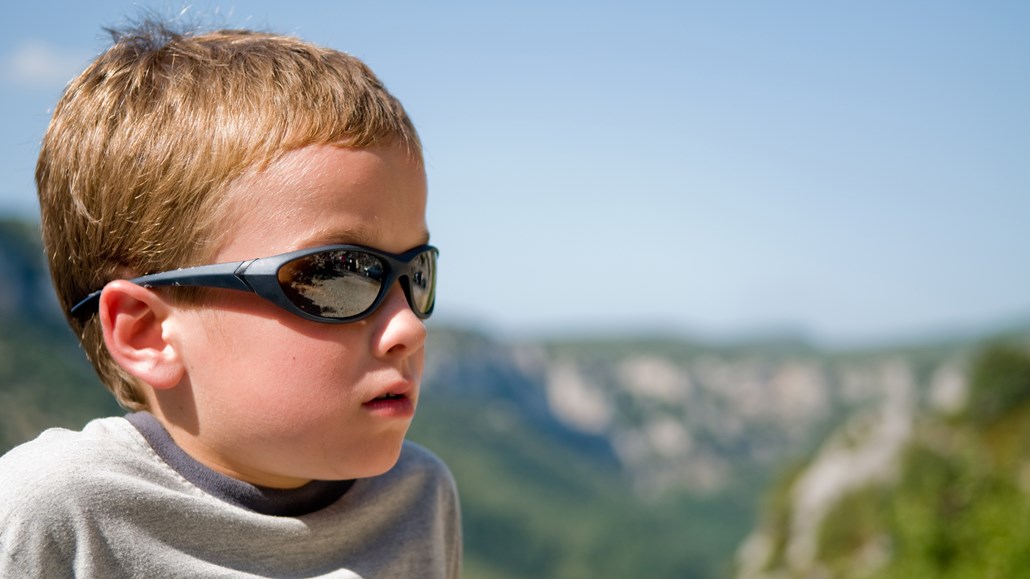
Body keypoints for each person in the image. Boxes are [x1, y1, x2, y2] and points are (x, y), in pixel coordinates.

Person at [0, 19, 461, 578]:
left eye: (416, 273)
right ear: (147, 332)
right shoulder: (51, 514)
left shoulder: (420, 500)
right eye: (338, 275)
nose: (409, 327)